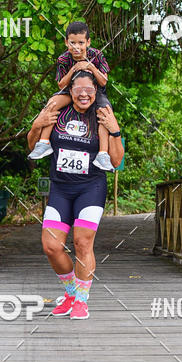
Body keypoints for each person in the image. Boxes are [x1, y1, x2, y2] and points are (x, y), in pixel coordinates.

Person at [27, 70, 124, 320]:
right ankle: (71, 293)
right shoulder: (59, 112)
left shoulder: (101, 114)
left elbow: (116, 159)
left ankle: (82, 301)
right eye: (78, 89)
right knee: (51, 246)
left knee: (82, 243)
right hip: (60, 188)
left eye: (89, 90)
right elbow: (31, 144)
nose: (83, 94)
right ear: (69, 91)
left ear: (96, 92)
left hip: (90, 188)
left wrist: (115, 131)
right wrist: (38, 123)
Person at [28, 21, 116, 171]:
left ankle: (103, 154)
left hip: (95, 92)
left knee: (105, 112)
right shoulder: (63, 59)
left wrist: (90, 66)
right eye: (72, 43)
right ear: (66, 42)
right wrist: (74, 69)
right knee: (53, 103)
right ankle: (43, 142)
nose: (76, 47)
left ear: (88, 42)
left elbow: (103, 81)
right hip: (71, 91)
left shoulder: (97, 55)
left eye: (81, 43)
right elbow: (61, 85)